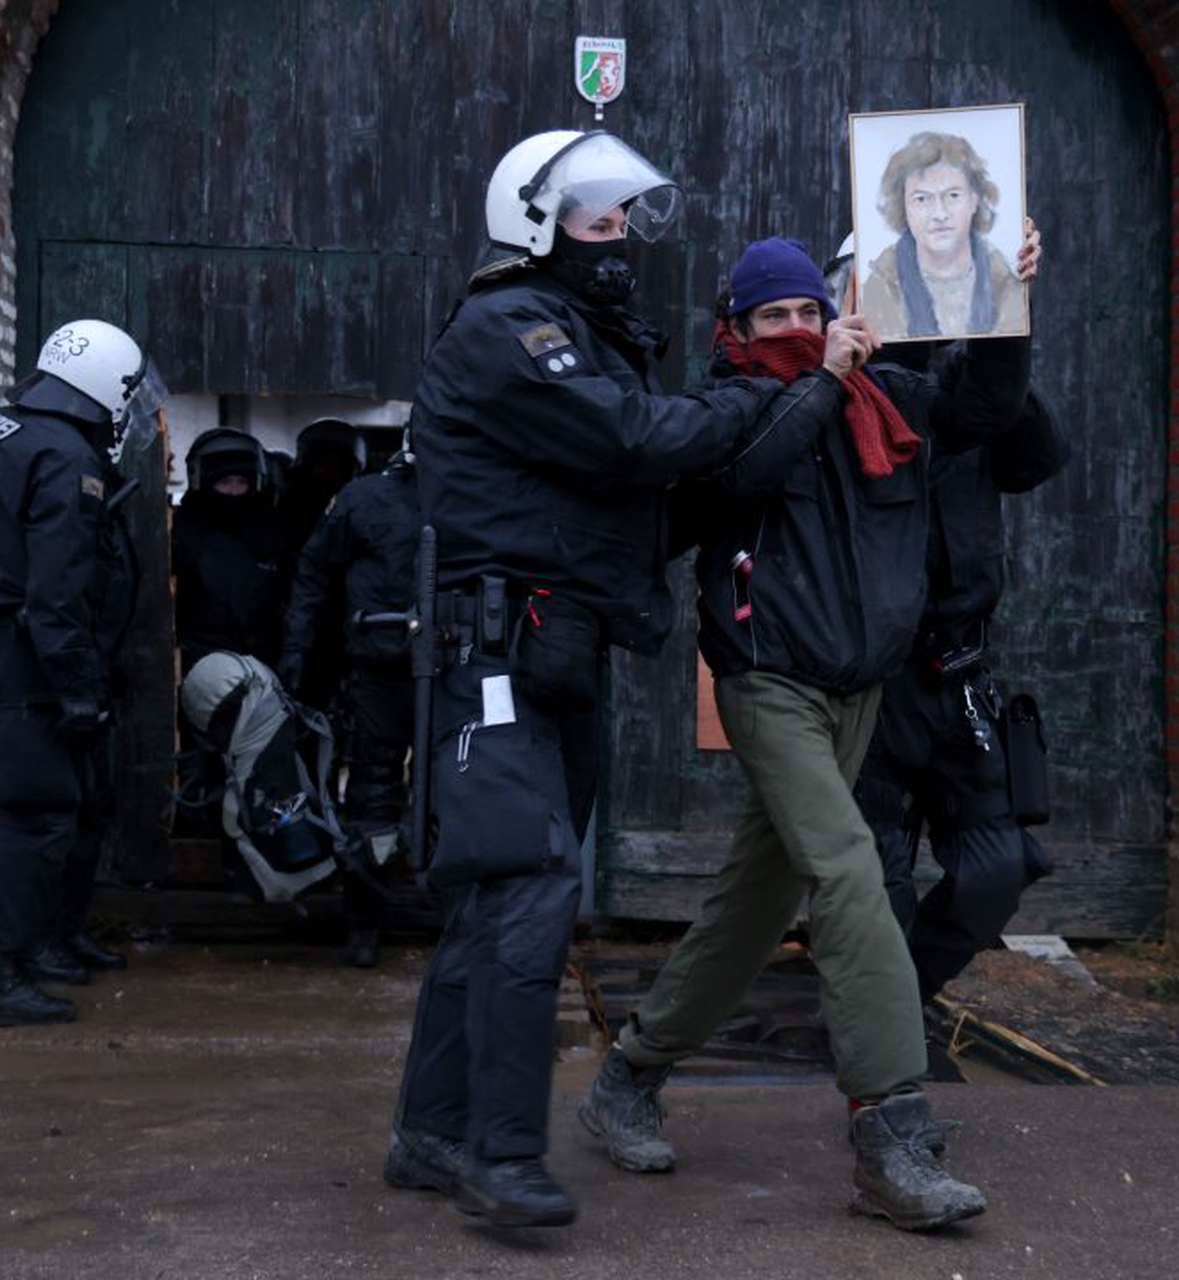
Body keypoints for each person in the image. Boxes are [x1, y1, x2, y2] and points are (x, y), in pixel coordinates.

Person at [382, 128, 801, 1230]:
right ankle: (501, 1154)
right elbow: (631, 439)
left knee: (493, 899)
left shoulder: (586, 333)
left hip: (552, 653)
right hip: (495, 658)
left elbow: (637, 507)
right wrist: (753, 401)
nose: (618, 239)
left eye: (624, 221)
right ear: (534, 225)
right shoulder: (507, 328)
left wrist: (775, 421)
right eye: (597, 220)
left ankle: (431, 1132)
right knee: (528, 889)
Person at [577, 231, 1037, 1232]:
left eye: (806, 312)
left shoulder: (894, 400)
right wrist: (822, 381)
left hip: (861, 689)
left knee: (757, 899)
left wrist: (1003, 301)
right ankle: (891, 1133)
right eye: (772, 316)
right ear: (736, 329)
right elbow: (739, 478)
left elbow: (990, 411)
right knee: (848, 872)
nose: (795, 329)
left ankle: (629, 1071)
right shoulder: (726, 411)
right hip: (769, 685)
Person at [832, 235, 1072, 1004]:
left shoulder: (971, 394)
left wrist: (995, 310)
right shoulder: (833, 394)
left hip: (959, 674)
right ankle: (886, 1040)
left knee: (995, 868)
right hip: (873, 677)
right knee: (876, 878)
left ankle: (904, 1001)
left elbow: (1041, 456)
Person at [0, 318, 162, 1027]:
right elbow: (55, 590)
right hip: (23, 653)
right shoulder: (62, 454)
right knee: (41, 811)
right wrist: (78, 687)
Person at [279, 435, 421, 968]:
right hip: (377, 671)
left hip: (451, 673)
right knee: (371, 797)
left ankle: (458, 921)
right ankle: (364, 921)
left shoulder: (476, 491)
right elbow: (314, 573)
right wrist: (297, 650)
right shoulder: (364, 499)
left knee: (458, 795)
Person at [860, 132, 1027, 341]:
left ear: (974, 199)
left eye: (953, 195)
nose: (940, 214)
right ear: (903, 207)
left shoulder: (1005, 282)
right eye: (922, 199)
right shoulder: (881, 286)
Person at [172, 428, 288, 675]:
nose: (234, 492)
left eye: (241, 482)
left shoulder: (270, 532)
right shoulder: (181, 533)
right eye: (224, 482)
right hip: (203, 665)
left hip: (263, 664)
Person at [277, 417, 368, 558]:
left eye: (338, 464)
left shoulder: (361, 502)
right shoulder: (294, 500)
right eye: (321, 462)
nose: (327, 471)